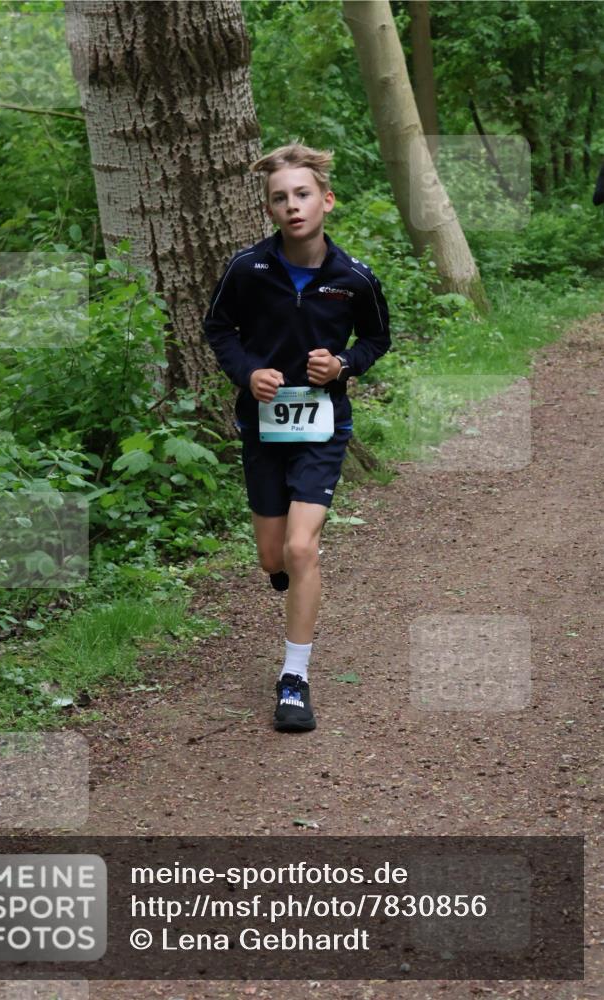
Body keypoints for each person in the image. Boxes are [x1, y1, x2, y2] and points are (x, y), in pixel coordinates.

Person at [204, 142, 390, 733]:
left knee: (301, 549)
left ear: (326, 201)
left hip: (322, 429)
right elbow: (218, 328)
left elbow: (376, 340)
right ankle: (289, 571)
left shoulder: (353, 278)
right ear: (270, 210)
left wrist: (343, 367)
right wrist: (247, 372)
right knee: (272, 556)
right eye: (280, 198)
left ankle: (294, 679)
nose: (293, 206)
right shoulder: (247, 269)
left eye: (303, 194)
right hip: (262, 425)